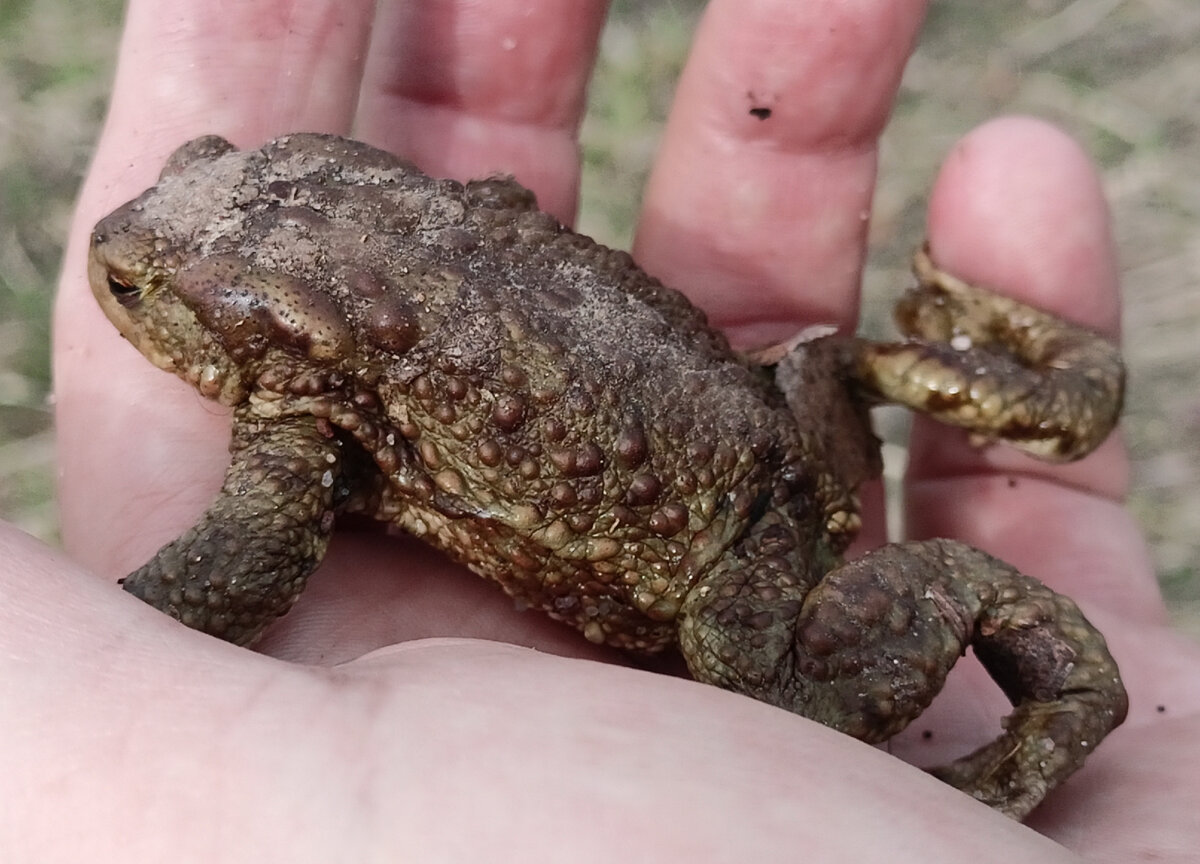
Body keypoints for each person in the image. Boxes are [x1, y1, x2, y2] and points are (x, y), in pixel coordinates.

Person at [6, 0, 1195, 860]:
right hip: (762, 423)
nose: (128, 270)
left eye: (144, 291)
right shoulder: (332, 366)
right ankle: (1062, 394)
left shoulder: (296, 405)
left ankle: (1064, 692)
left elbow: (246, 563)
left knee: (761, 673)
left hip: (722, 560)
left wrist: (120, 628)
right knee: (824, 359)